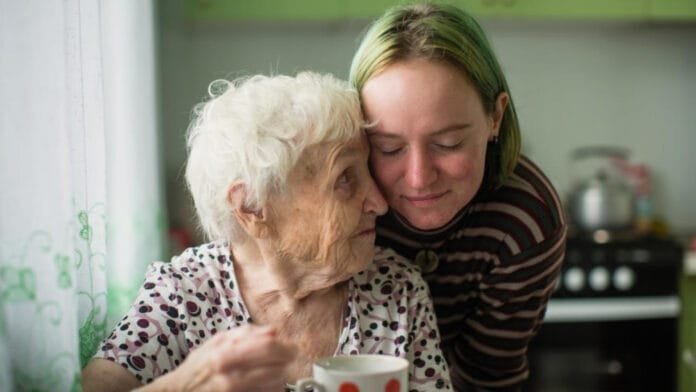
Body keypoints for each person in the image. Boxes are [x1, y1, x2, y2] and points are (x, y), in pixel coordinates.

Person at [81, 71, 452, 391]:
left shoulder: (396, 291)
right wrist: (184, 385)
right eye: (345, 180)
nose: (378, 202)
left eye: (367, 171)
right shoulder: (182, 291)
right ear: (253, 207)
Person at [349, 3, 567, 391]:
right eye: (387, 147)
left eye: (448, 143)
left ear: (495, 117)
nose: (418, 178)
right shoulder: (336, 203)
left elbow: (487, 377)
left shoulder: (525, 220)